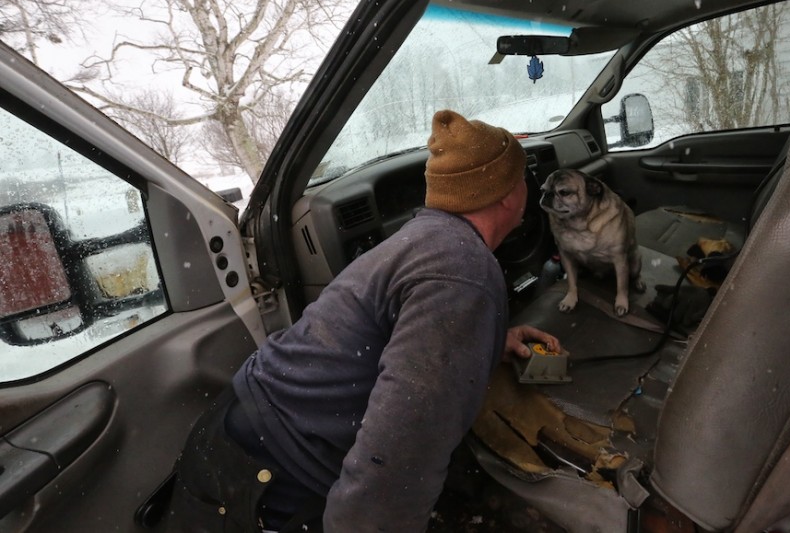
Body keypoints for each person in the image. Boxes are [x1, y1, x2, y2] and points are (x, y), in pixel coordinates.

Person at [163, 109, 560, 533]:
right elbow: (403, 449)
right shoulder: (463, 273)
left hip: (242, 434)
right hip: (269, 478)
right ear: (505, 193)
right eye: (522, 177)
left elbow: (410, 342)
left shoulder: (427, 239)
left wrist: (484, 343)